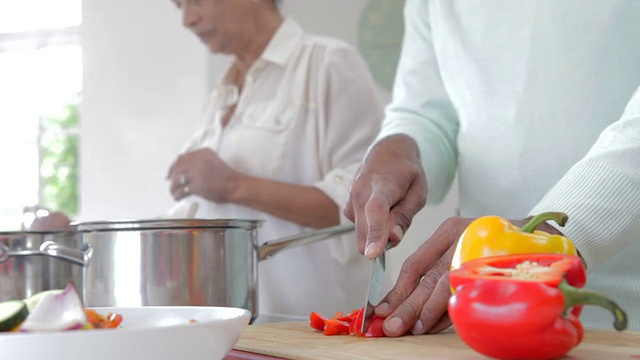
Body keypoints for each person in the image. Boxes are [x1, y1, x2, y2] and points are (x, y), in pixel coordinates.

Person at [344, 0, 640, 336]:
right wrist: (402, 141)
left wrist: (551, 238)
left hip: (625, 322)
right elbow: (427, 107)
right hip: (479, 320)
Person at [164, 0, 383, 319]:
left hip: (316, 333)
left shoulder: (328, 64)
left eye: (196, 1)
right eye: (179, 5)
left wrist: (233, 186)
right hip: (232, 329)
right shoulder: (220, 94)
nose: (187, 19)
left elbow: (367, 205)